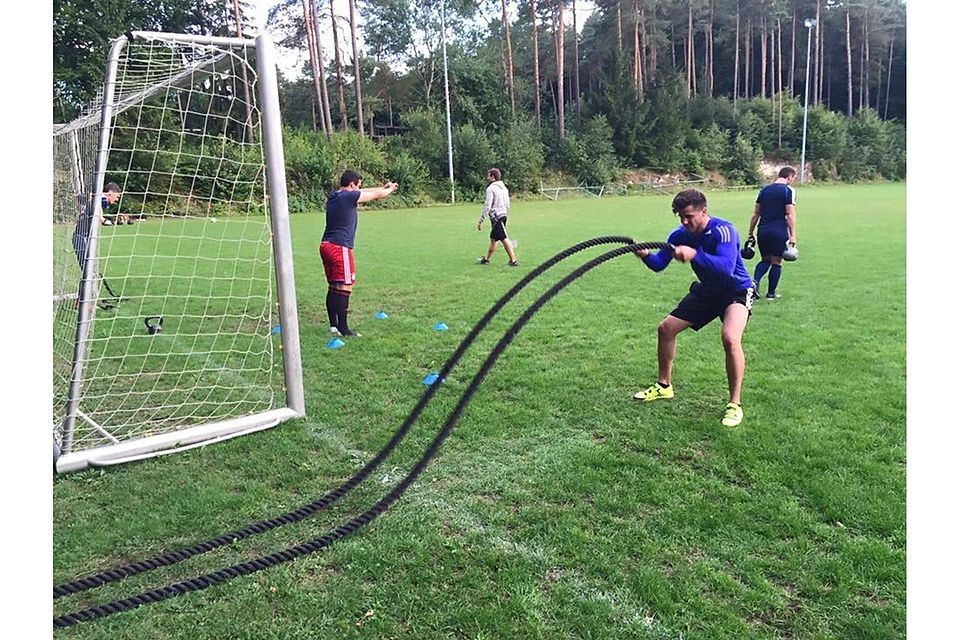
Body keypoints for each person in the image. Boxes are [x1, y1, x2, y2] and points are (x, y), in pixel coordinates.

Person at [634, 189, 755, 428]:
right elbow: (659, 264)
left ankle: (734, 404)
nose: (684, 222)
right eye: (681, 216)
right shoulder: (680, 234)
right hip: (707, 291)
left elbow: (725, 268)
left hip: (736, 291)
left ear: (704, 211)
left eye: (689, 216)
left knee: (730, 338)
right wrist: (646, 255)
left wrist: (694, 255)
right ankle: (664, 386)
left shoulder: (724, 230)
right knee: (666, 329)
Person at [319, 169, 398, 338]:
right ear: (352, 184)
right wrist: (390, 189)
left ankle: (334, 325)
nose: (359, 188)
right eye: (358, 185)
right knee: (345, 286)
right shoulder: (349, 196)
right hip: (340, 247)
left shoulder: (335, 196)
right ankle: (344, 329)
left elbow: (366, 191)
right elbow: (375, 195)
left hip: (326, 245)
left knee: (334, 286)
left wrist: (383, 186)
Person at [746, 166, 798, 299]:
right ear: (789, 177)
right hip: (778, 230)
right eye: (793, 178)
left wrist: (750, 232)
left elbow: (756, 213)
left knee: (765, 260)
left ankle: (754, 283)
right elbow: (790, 214)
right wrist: (792, 235)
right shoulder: (788, 190)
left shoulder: (764, 190)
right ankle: (771, 293)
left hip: (763, 230)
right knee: (777, 262)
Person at [73, 182, 121, 271]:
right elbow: (92, 200)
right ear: (110, 192)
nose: (117, 200)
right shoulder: (102, 198)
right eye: (117, 196)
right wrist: (102, 219)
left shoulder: (100, 200)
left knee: (88, 268)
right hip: (81, 237)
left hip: (83, 236)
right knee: (88, 269)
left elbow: (78, 198)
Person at [476, 168, 519, 267]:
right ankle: (486, 259)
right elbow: (507, 203)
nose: (487, 178)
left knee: (504, 238)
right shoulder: (504, 188)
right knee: (494, 239)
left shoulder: (491, 189)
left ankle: (513, 260)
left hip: (496, 217)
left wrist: (481, 220)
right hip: (503, 215)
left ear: (493, 176)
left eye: (488, 175)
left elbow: (488, 205)